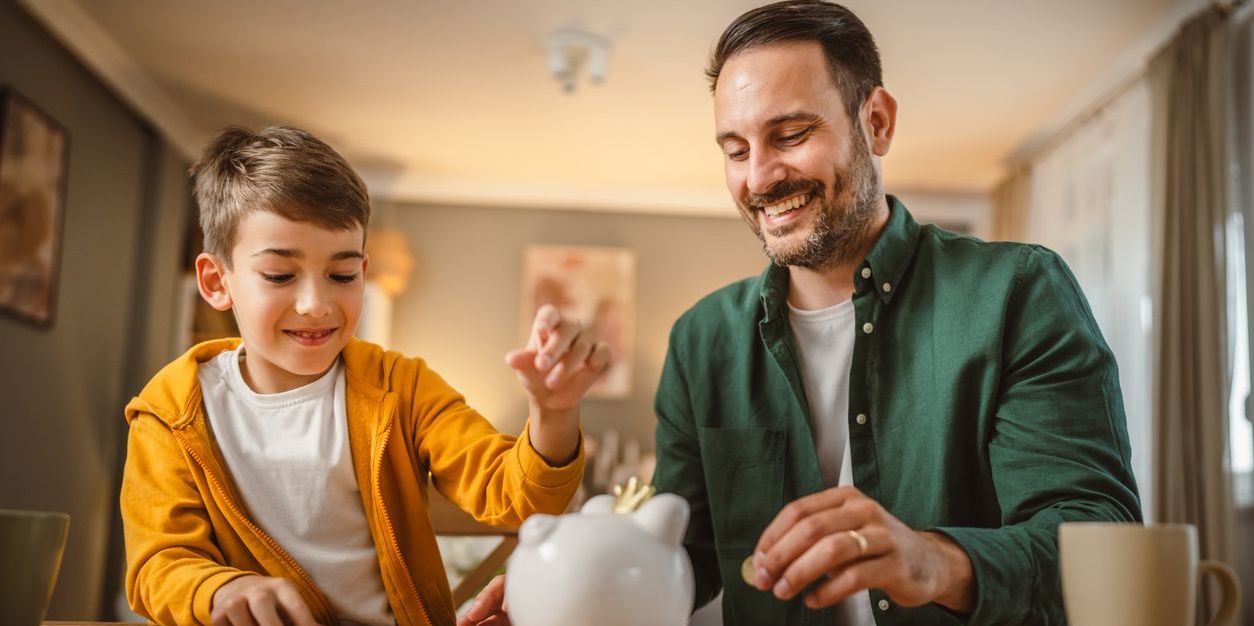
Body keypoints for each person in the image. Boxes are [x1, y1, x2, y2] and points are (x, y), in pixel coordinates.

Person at [462, 1, 1140, 624]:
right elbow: (686, 557)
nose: (759, 177)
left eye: (788, 135)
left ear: (876, 122)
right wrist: (565, 591)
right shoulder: (702, 342)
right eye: (735, 150)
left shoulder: (1017, 293)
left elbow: (1096, 539)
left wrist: (931, 559)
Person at [120, 126, 610, 626]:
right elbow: (157, 566)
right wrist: (221, 589)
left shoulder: (403, 387)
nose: (316, 305)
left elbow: (519, 498)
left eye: (342, 275)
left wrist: (553, 411)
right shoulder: (170, 412)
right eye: (280, 275)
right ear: (216, 281)